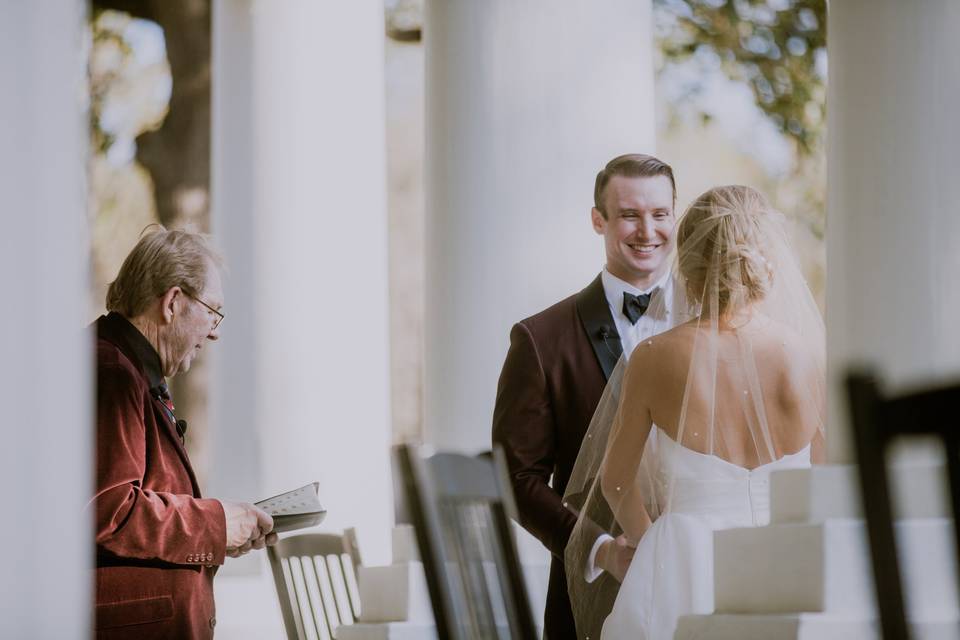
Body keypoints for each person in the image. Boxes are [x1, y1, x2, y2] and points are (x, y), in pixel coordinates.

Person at [564, 185, 826, 639]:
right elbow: (824, 475)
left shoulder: (654, 357)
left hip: (683, 565)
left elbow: (616, 481)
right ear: (766, 260)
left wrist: (654, 551)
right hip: (784, 565)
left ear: (688, 262)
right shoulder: (801, 356)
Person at [492, 153, 679, 639]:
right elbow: (517, 477)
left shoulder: (715, 324)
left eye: (660, 214)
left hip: (695, 576)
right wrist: (601, 550)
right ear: (599, 220)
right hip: (589, 598)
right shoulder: (540, 339)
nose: (647, 230)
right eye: (629, 215)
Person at [91, 227, 277, 639]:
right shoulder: (112, 372)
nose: (215, 331)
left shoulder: (122, 367)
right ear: (173, 302)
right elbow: (110, 511)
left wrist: (224, 529)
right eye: (213, 311)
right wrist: (214, 524)